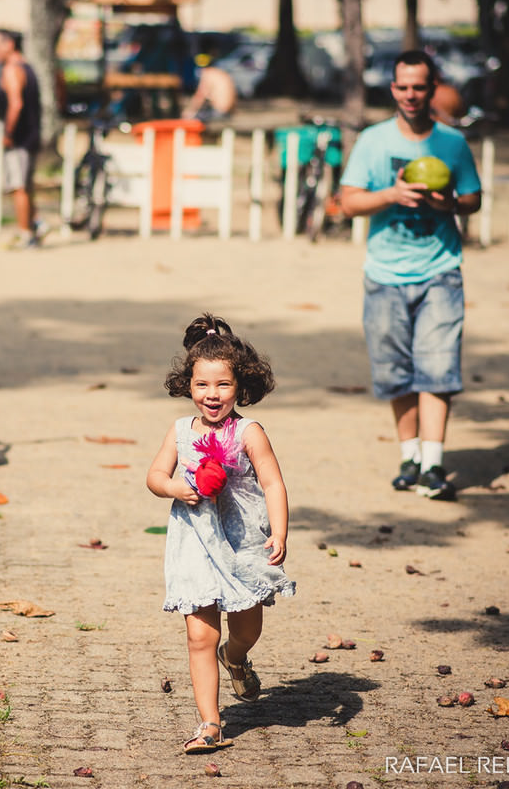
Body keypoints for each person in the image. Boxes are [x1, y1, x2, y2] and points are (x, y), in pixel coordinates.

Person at [146, 313, 295, 755]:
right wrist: (176, 487)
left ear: (240, 385)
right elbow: (155, 476)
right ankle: (211, 723)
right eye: (202, 386)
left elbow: (273, 482)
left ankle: (236, 657)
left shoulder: (248, 432)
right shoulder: (179, 431)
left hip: (243, 542)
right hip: (194, 542)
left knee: (245, 627)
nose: (212, 396)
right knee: (199, 635)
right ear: (187, 385)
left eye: (223, 386)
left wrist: (280, 531)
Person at [339, 51, 482, 501]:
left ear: (432, 87)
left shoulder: (452, 143)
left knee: (438, 367)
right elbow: (349, 202)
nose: (411, 95)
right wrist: (392, 194)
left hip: (440, 269)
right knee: (395, 371)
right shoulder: (373, 141)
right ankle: (410, 456)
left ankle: (434, 465)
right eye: (403, 87)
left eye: (419, 86)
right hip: (384, 273)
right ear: (393, 88)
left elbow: (474, 198)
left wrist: (448, 205)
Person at [0, 30, 44, 249]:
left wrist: (8, 133)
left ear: (9, 44)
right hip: (32, 133)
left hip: (19, 137)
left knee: (18, 186)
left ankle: (25, 233)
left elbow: (16, 104)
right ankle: (36, 224)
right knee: (27, 185)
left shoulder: (11, 70)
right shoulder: (28, 67)